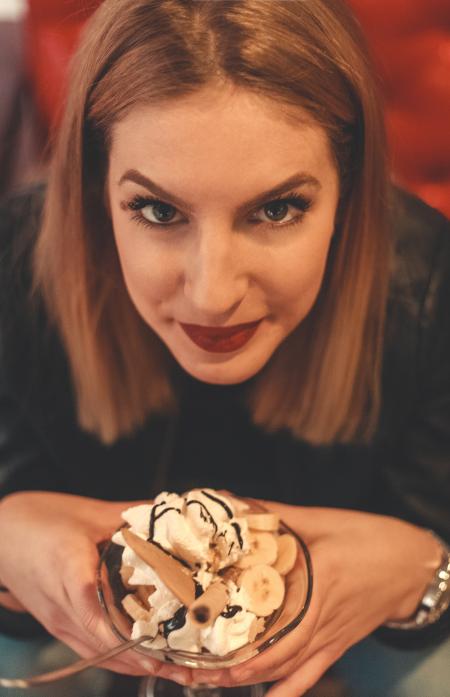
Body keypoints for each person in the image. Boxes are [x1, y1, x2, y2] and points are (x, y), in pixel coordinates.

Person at [0, 1, 448, 696]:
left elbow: (433, 538)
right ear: (95, 188)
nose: (213, 294)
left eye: (276, 209)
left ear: (349, 189)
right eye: (157, 210)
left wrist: (425, 570)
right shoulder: (13, 273)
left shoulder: (431, 292)